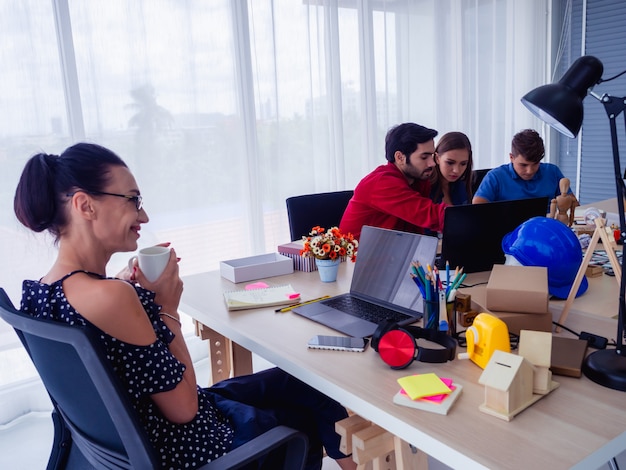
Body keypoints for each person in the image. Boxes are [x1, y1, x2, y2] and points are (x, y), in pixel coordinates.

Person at [13, 143, 356, 470]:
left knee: (302, 384)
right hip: (185, 446)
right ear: (85, 206)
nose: (143, 215)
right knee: (303, 417)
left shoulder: (40, 293)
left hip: (140, 442)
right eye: (132, 200)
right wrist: (167, 308)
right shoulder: (111, 297)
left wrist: (122, 287)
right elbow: (184, 409)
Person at [340, 122, 447, 239]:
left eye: (431, 156)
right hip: (359, 256)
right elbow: (432, 216)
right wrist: (467, 215)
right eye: (424, 157)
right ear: (400, 157)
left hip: (393, 253)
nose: (432, 163)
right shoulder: (382, 183)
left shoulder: (418, 179)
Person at [472, 129, 578, 210]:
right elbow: (477, 209)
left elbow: (574, 206)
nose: (530, 171)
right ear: (511, 157)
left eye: (535, 164)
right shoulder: (495, 177)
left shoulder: (552, 172)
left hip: (546, 228)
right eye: (523, 165)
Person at [430, 131, 473, 205]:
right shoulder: (423, 188)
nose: (456, 170)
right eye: (450, 163)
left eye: (463, 164)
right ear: (437, 158)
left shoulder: (462, 187)